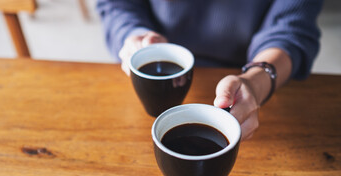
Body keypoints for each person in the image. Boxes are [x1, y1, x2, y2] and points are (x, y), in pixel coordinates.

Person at [96, 0, 323, 140]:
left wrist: (255, 81)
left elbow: (292, 29)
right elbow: (117, 5)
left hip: (245, 71)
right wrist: (133, 34)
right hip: (153, 69)